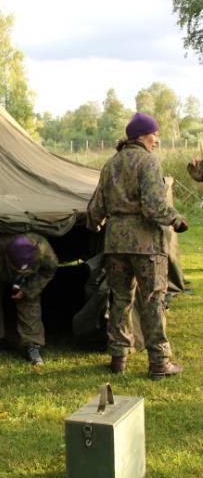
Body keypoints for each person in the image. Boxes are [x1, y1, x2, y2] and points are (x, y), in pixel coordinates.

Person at [87, 112, 188, 380]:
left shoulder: (110, 164)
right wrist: (176, 219)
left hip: (115, 243)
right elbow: (154, 207)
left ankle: (118, 358)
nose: (157, 139)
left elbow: (96, 208)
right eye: (155, 134)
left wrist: (96, 223)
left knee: (120, 299)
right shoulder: (148, 162)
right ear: (143, 135)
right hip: (145, 244)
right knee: (153, 300)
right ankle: (159, 362)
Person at [0, 233, 58, 365]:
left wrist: (27, 290)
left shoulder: (43, 250)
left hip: (28, 278)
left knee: (30, 302)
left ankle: (32, 345)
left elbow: (49, 270)